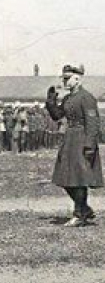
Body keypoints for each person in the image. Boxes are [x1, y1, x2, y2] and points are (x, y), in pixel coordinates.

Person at [45, 65, 102, 227]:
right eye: (63, 78)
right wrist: (51, 102)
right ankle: (84, 209)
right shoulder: (69, 98)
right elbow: (57, 116)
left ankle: (79, 214)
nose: (64, 81)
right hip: (69, 140)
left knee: (79, 179)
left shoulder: (86, 98)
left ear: (77, 79)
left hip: (82, 140)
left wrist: (90, 145)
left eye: (67, 78)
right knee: (64, 177)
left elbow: (93, 122)